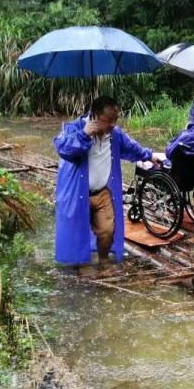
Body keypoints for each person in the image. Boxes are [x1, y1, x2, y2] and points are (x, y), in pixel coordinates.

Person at [53, 96, 161, 272]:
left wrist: (148, 155)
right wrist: (84, 134)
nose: (113, 124)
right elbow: (62, 148)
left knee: (107, 232)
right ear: (95, 115)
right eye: (109, 120)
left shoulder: (114, 134)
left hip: (102, 192)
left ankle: (102, 262)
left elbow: (131, 147)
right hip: (76, 194)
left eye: (115, 119)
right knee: (76, 234)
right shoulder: (74, 129)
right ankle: (78, 269)